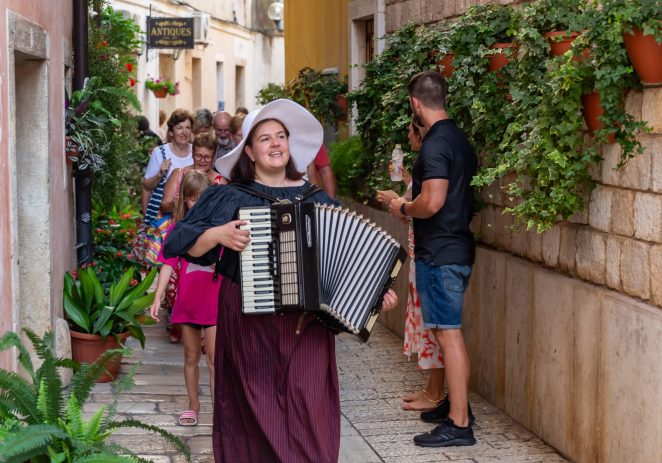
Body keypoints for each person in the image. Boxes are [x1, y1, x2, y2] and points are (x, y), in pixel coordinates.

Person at [162, 99, 397, 462]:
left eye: (281, 137)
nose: (275, 144)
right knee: (253, 414)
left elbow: (350, 262)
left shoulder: (318, 200)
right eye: (265, 138)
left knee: (309, 411)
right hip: (248, 325)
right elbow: (178, 242)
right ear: (250, 152)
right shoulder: (230, 196)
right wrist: (218, 235)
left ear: (290, 145)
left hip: (307, 328)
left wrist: (376, 294)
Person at [388, 71, 477, 447]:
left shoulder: (436, 145)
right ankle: (456, 407)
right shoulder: (458, 139)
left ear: (415, 104)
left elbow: (433, 201)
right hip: (452, 248)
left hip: (440, 253)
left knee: (448, 334)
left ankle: (458, 425)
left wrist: (403, 206)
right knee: (446, 333)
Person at [377, 118, 445, 412]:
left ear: (420, 132)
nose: (407, 135)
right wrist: (402, 189)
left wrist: (398, 202)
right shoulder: (423, 164)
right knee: (424, 323)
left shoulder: (432, 161)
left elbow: (420, 206)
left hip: (430, 253)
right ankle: (431, 388)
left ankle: (436, 392)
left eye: (410, 130)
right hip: (421, 251)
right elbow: (413, 203)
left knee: (433, 326)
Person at [150, 169, 220, 427]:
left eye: (202, 197)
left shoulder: (218, 229)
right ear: (185, 200)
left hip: (214, 303)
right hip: (189, 302)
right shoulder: (178, 230)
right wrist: (157, 297)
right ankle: (193, 405)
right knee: (191, 356)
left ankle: (218, 410)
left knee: (215, 360)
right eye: (192, 198)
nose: (197, 203)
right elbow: (167, 264)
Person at [141, 109, 194, 217]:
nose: (184, 132)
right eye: (179, 128)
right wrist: (159, 175)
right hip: (162, 219)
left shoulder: (196, 153)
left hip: (190, 217)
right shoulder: (160, 153)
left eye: (187, 128)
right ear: (171, 132)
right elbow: (146, 186)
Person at [160, 132, 227, 214]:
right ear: (192, 154)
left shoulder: (220, 182)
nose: (202, 160)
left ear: (214, 156)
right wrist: (176, 204)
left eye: (207, 157)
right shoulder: (179, 174)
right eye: (198, 155)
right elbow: (163, 206)